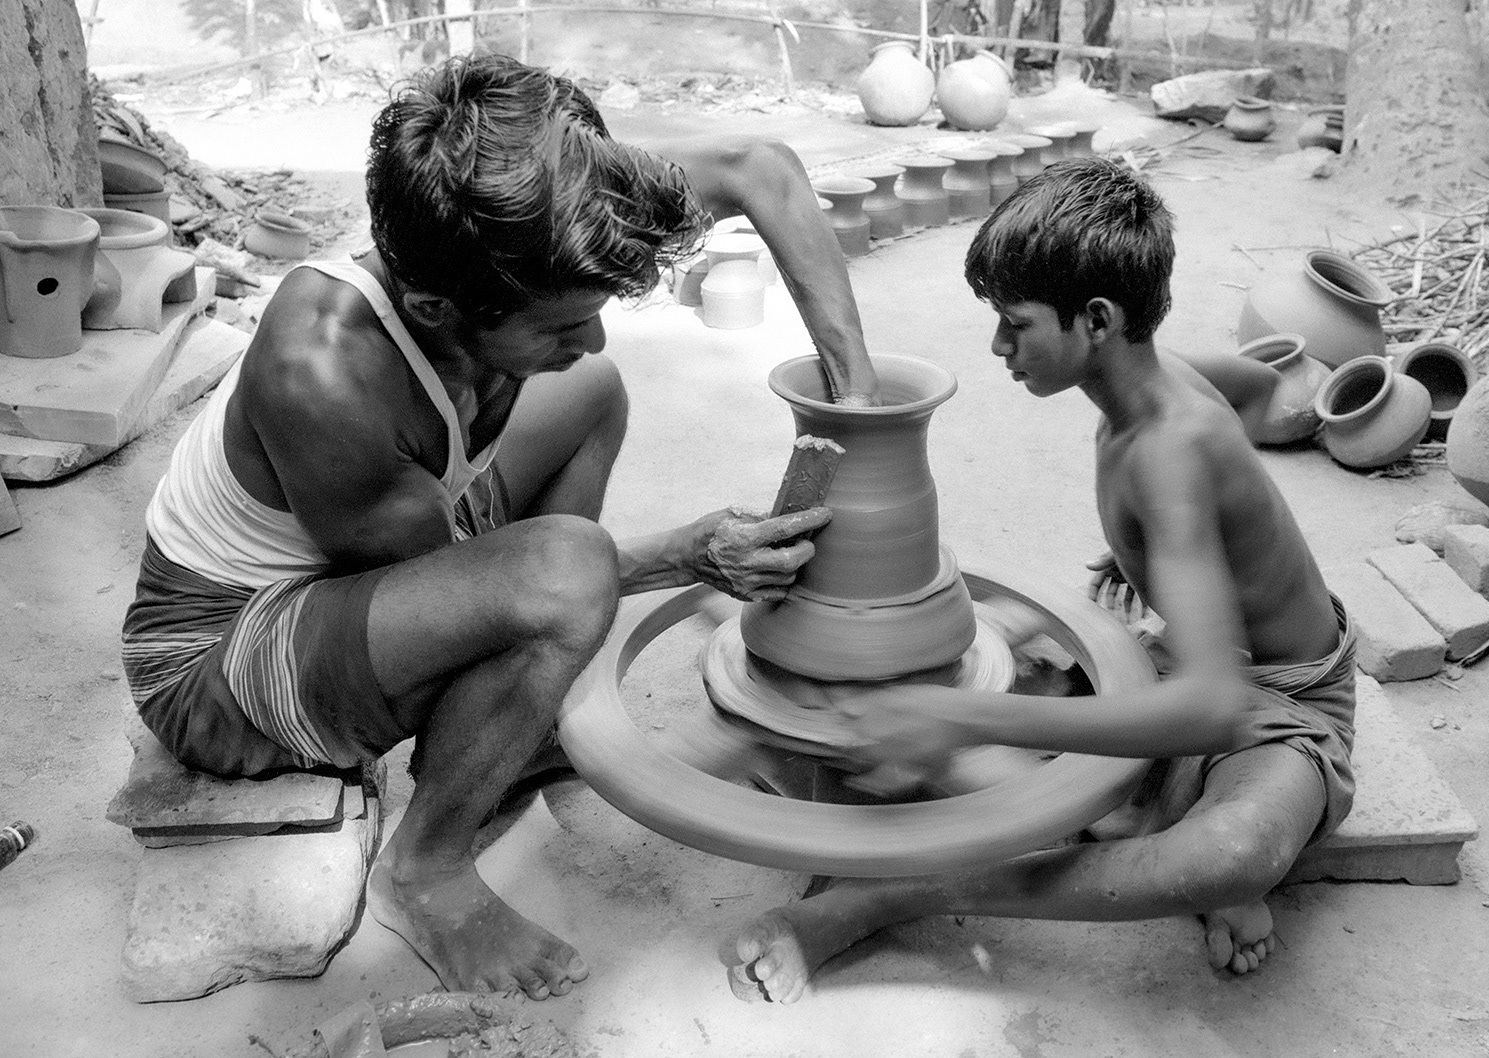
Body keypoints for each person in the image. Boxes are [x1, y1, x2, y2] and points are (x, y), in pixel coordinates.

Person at [120, 54, 881, 1003]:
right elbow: (476, 576)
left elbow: (759, 166)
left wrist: (852, 398)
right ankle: (427, 869)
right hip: (215, 659)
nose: (589, 336)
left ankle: (518, 715)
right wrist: (685, 555)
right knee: (567, 579)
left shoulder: (522, 213)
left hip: (384, 557)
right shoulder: (322, 369)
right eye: (560, 325)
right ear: (438, 309)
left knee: (592, 396)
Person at [723, 156, 1356, 1004]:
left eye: (1015, 324)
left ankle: (891, 898)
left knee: (1230, 855)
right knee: (907, 700)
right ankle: (1152, 814)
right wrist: (1174, 554)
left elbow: (1213, 707)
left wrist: (957, 715)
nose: (998, 346)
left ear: (1096, 319)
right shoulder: (1167, 388)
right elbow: (1257, 384)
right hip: (1184, 661)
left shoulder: (1170, 451)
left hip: (1280, 706)